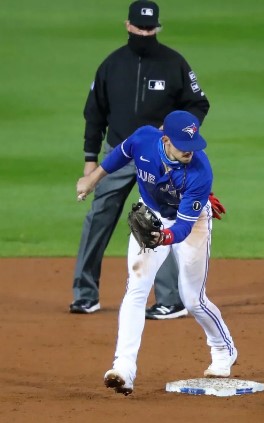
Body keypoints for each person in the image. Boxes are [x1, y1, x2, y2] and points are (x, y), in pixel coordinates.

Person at [71, 0, 221, 320]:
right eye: (139, 27)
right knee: (98, 218)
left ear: (157, 29)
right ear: (128, 26)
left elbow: (199, 103)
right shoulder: (111, 65)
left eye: (150, 28)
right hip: (118, 153)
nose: (144, 33)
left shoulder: (174, 63)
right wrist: (89, 161)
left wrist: (180, 130)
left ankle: (168, 300)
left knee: (161, 216)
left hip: (160, 159)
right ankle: (85, 295)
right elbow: (94, 114)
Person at [75, 110, 238, 396]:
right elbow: (121, 154)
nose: (190, 151)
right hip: (152, 213)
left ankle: (223, 348)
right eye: (182, 145)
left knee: (192, 298)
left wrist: (163, 237)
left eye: (193, 144)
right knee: (136, 289)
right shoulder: (144, 140)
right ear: (165, 140)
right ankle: (123, 369)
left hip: (190, 222)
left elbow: (184, 229)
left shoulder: (200, 172)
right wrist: (94, 178)